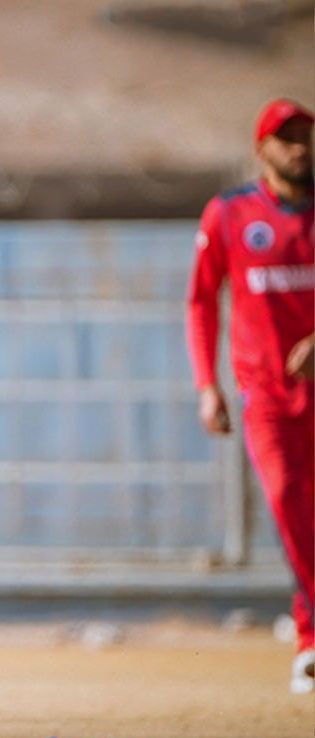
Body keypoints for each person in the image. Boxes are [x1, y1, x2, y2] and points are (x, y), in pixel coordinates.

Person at [186, 97, 314, 695]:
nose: (299, 147)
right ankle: (312, 639)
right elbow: (201, 299)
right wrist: (207, 385)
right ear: (261, 149)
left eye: (305, 136)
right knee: (291, 502)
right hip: (265, 396)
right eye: (285, 137)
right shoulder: (231, 215)